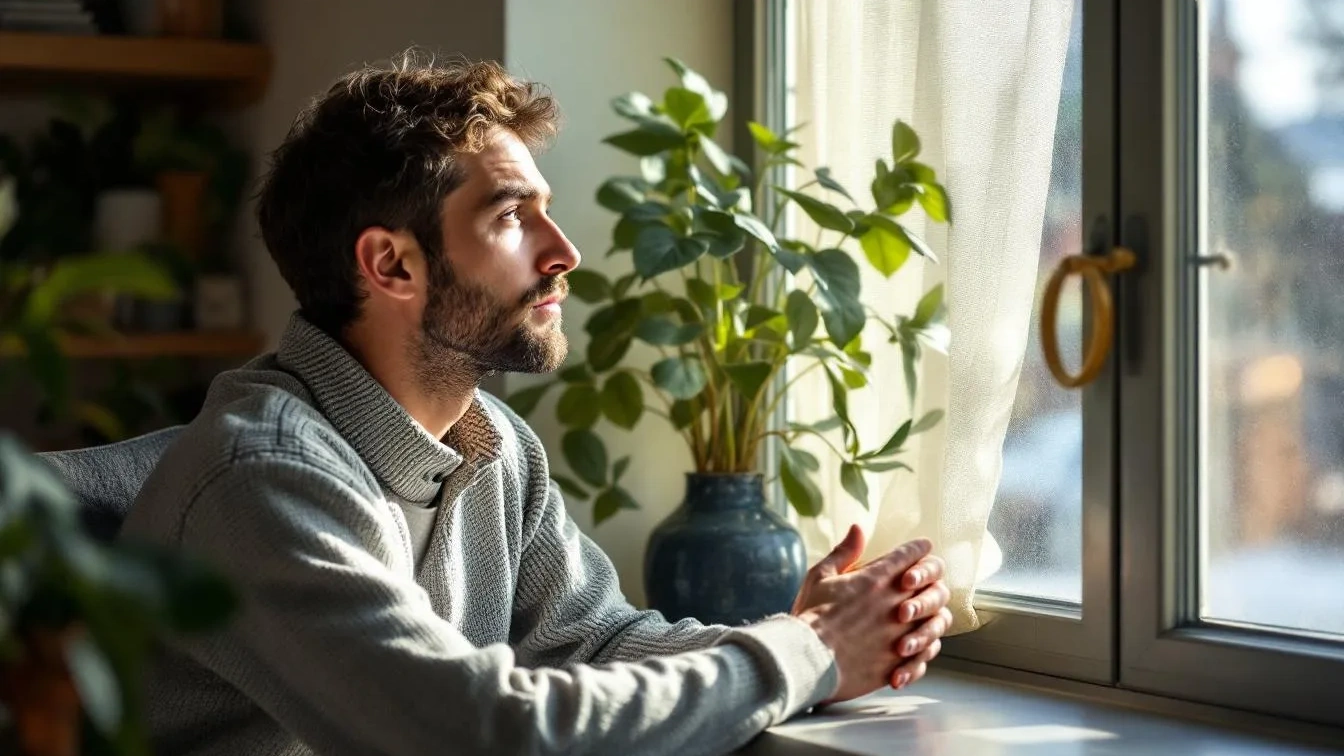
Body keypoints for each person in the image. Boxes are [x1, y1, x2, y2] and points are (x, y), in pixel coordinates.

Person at [121, 54, 953, 756]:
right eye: (514, 216)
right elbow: (482, 734)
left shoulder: (493, 448)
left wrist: (804, 627)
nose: (565, 252)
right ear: (391, 265)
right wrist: (803, 654)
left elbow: (596, 644)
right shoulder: (263, 479)